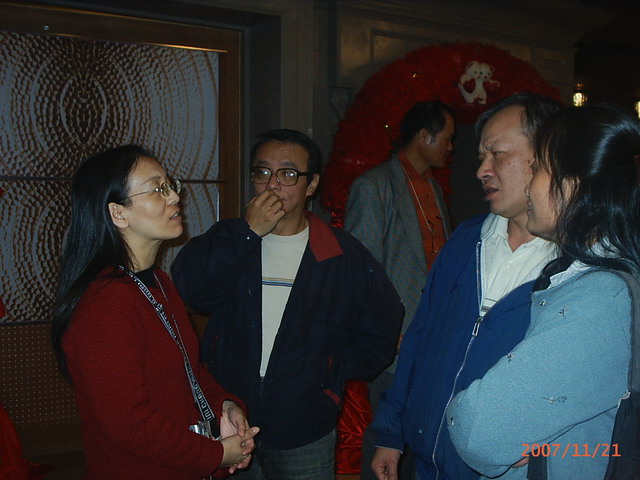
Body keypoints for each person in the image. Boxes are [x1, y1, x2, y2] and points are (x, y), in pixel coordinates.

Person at [171, 129, 403, 479]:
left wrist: (327, 371)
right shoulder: (229, 238)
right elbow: (191, 291)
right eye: (262, 172)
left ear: (311, 185)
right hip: (233, 422)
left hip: (305, 430)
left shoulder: (339, 253)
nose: (272, 184)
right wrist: (247, 233)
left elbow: (383, 324)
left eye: (288, 173)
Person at [370, 93, 562, 480]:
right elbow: (421, 335)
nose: (482, 170)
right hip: (426, 462)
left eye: (498, 154)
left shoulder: (576, 264)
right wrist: (390, 431)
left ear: (548, 155)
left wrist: (548, 443)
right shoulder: (466, 239)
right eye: (481, 156)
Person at [447, 103, 640, 479]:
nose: (528, 186)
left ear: (573, 186)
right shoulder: (589, 277)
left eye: (537, 169)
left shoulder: (602, 297)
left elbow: (478, 432)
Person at [51, 145, 258, 480]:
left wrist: (226, 404)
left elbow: (188, 370)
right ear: (118, 213)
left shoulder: (158, 281)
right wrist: (215, 454)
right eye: (157, 189)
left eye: (170, 185)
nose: (174, 197)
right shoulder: (104, 303)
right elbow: (128, 422)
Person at [344, 100, 455, 479]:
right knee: (384, 437)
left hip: (431, 336)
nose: (451, 147)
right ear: (424, 136)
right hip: (395, 338)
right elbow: (360, 273)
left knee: (420, 434)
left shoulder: (433, 188)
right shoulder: (374, 186)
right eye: (447, 138)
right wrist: (384, 333)